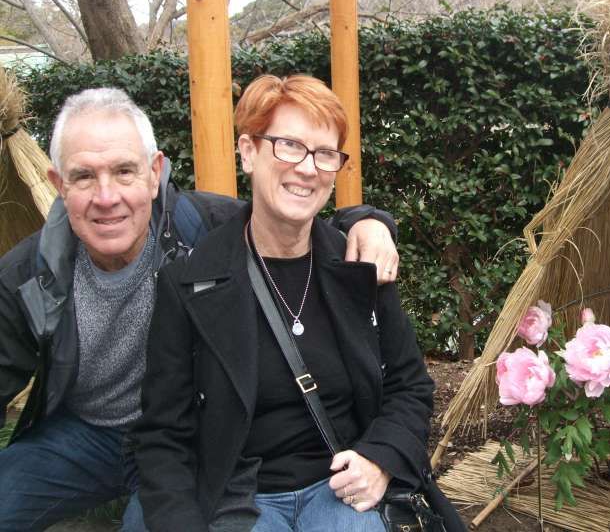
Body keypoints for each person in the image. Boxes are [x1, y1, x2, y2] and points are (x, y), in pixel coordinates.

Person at [0, 87, 400, 532]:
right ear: (58, 185)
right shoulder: (28, 276)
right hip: (84, 434)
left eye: (124, 171)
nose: (107, 196)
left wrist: (370, 222)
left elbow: (293, 211)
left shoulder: (203, 229)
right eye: (84, 177)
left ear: (155, 174)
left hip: (190, 438)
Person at [134, 75, 461, 532]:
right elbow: (163, 433)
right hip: (243, 499)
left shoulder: (358, 265)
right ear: (248, 151)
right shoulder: (188, 284)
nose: (307, 168)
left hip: (342, 489)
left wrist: (380, 460)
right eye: (288, 145)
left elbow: (410, 385)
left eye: (325, 154)